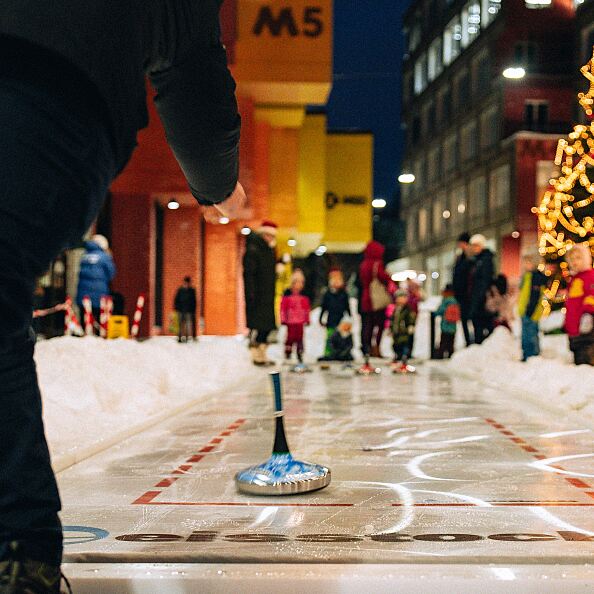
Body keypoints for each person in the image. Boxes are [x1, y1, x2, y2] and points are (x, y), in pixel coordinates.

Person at [0, 3, 246, 590]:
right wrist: (218, 184)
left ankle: (20, 551)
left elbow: (190, 72)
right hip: (59, 104)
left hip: (46, 103)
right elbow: (192, 73)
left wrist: (214, 180)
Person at [243, 221, 278, 366]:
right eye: (267, 235)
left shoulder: (268, 251)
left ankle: (261, 354)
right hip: (257, 295)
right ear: (263, 234)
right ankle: (256, 355)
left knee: (267, 327)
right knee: (260, 327)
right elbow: (249, 274)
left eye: (271, 236)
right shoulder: (254, 250)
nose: (269, 238)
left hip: (266, 295)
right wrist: (251, 294)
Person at [359, 241, 391, 358]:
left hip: (365, 299)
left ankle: (366, 347)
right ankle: (376, 348)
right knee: (379, 325)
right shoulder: (377, 264)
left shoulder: (363, 265)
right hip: (377, 300)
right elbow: (384, 278)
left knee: (367, 325)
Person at [565, 243, 594, 365]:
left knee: (586, 362)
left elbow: (591, 295)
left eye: (578, 257)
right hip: (574, 327)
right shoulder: (574, 278)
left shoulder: (590, 276)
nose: (575, 261)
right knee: (578, 359)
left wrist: (587, 314)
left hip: (585, 326)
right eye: (572, 259)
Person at [76, 234, 116, 322]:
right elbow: (111, 273)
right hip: (99, 291)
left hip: (83, 292)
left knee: (85, 316)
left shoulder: (84, 256)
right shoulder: (105, 257)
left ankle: (85, 332)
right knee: (98, 316)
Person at [518, 254, 548, 361]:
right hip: (524, 311)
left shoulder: (536, 278)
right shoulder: (527, 276)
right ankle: (526, 354)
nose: (525, 265)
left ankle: (533, 355)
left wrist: (529, 311)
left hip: (531, 312)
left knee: (531, 335)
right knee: (525, 335)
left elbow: (534, 296)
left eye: (528, 262)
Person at [468, 234, 495, 344]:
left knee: (483, 323)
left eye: (476, 245)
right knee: (478, 324)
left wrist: (480, 297)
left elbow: (485, 280)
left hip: (482, 299)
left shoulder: (485, 260)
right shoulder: (476, 260)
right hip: (477, 298)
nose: (474, 248)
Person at [318, 269, 351, 360]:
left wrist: (349, 316)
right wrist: (321, 318)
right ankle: (329, 353)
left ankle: (341, 353)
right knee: (330, 337)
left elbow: (347, 306)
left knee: (343, 338)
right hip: (331, 320)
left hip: (341, 320)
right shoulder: (328, 294)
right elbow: (324, 307)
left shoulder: (344, 294)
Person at [280, 270, 311, 363]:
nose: (299, 285)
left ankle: (299, 353)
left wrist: (307, 319)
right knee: (290, 337)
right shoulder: (287, 297)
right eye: (297, 282)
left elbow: (306, 309)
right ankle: (288, 352)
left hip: (300, 321)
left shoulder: (304, 297)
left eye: (301, 283)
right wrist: (283, 319)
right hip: (290, 321)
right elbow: (283, 309)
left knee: (300, 338)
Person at [452, 232, 473, 345]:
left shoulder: (469, 258)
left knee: (469, 319)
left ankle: (470, 342)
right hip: (461, 294)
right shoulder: (460, 257)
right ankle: (468, 341)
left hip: (467, 294)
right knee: (464, 320)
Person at [390, 289, 416, 368]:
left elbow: (411, 318)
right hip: (397, 332)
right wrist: (391, 328)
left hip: (404, 332)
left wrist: (411, 326)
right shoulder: (396, 309)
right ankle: (398, 356)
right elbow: (393, 320)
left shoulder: (408, 310)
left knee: (405, 344)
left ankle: (405, 358)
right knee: (396, 345)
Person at [434, 284, 460, 359]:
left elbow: (440, 311)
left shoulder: (446, 301)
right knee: (451, 343)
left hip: (445, 326)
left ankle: (440, 356)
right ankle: (450, 355)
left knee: (443, 342)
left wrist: (435, 313)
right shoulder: (455, 300)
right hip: (453, 327)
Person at [173, 276, 197, 343]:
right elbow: (176, 299)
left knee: (187, 325)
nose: (187, 284)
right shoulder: (180, 290)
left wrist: (193, 310)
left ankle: (186, 337)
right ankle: (180, 337)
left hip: (189, 311)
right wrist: (176, 308)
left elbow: (194, 301)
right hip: (181, 310)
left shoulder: (192, 290)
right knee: (180, 325)